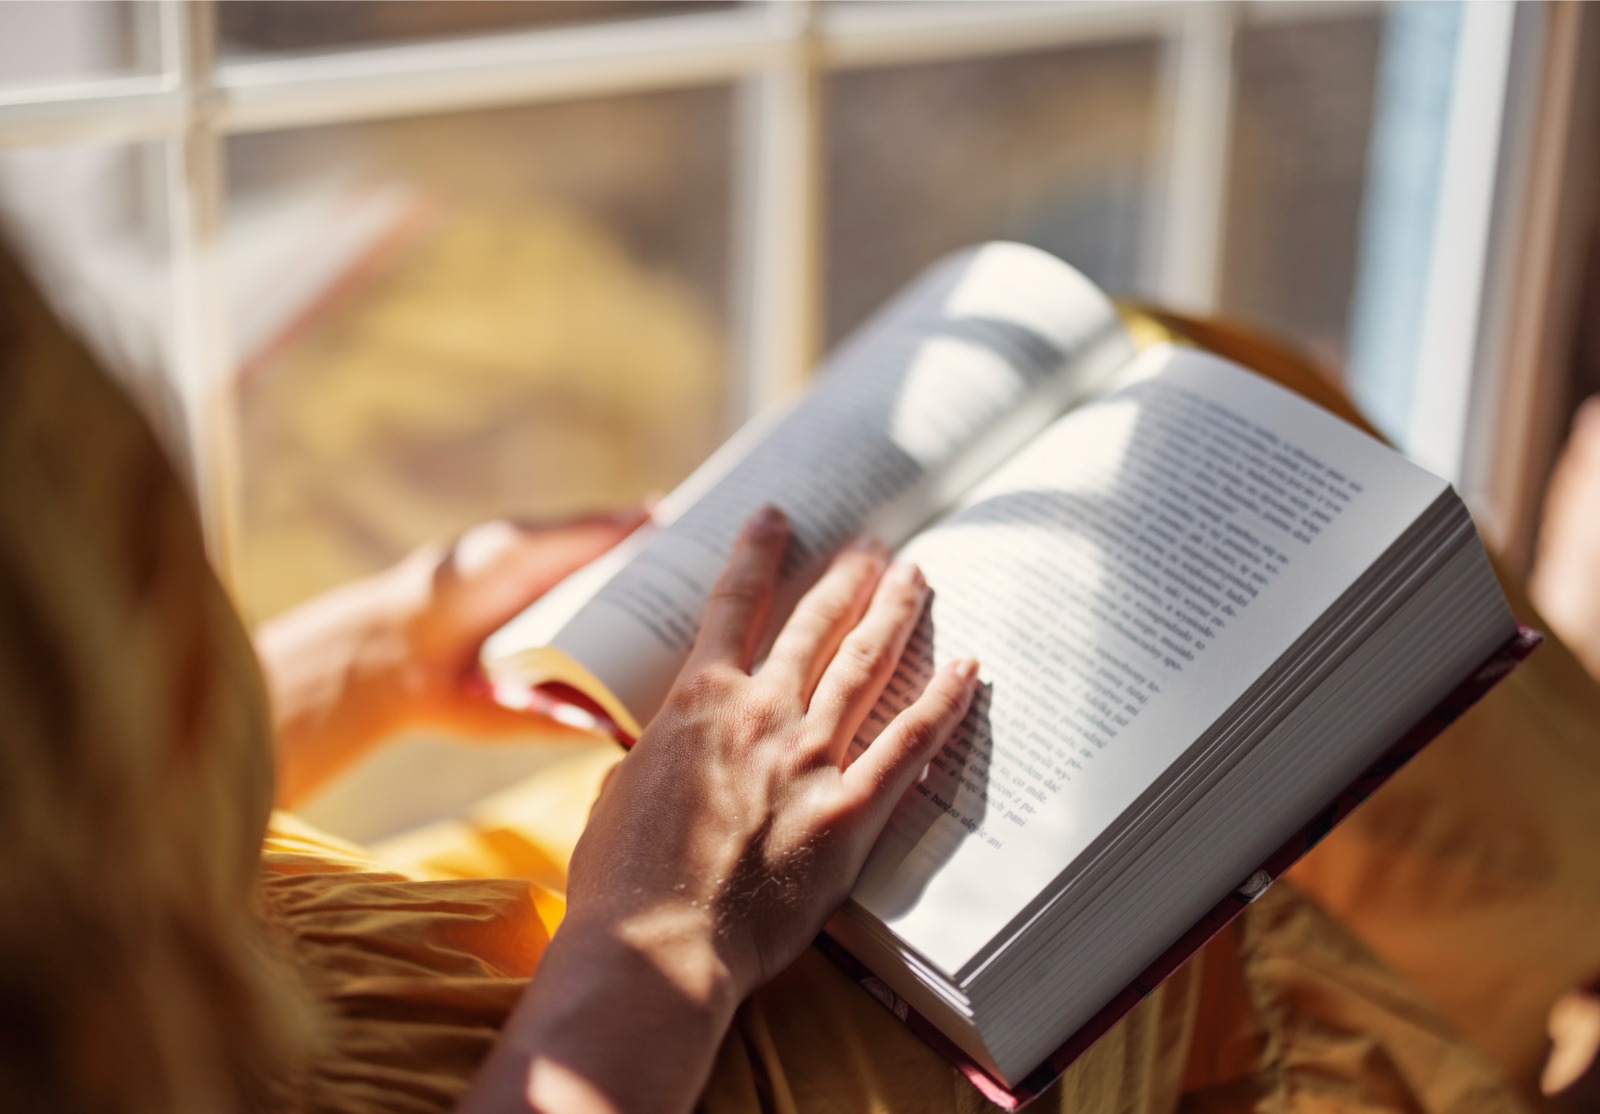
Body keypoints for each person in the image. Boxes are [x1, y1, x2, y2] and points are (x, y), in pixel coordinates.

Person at [0, 236, 1537, 1114]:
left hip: (335, 953)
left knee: (1181, 360)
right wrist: (656, 933)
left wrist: (384, 645)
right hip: (607, 1028)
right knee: (1194, 887)